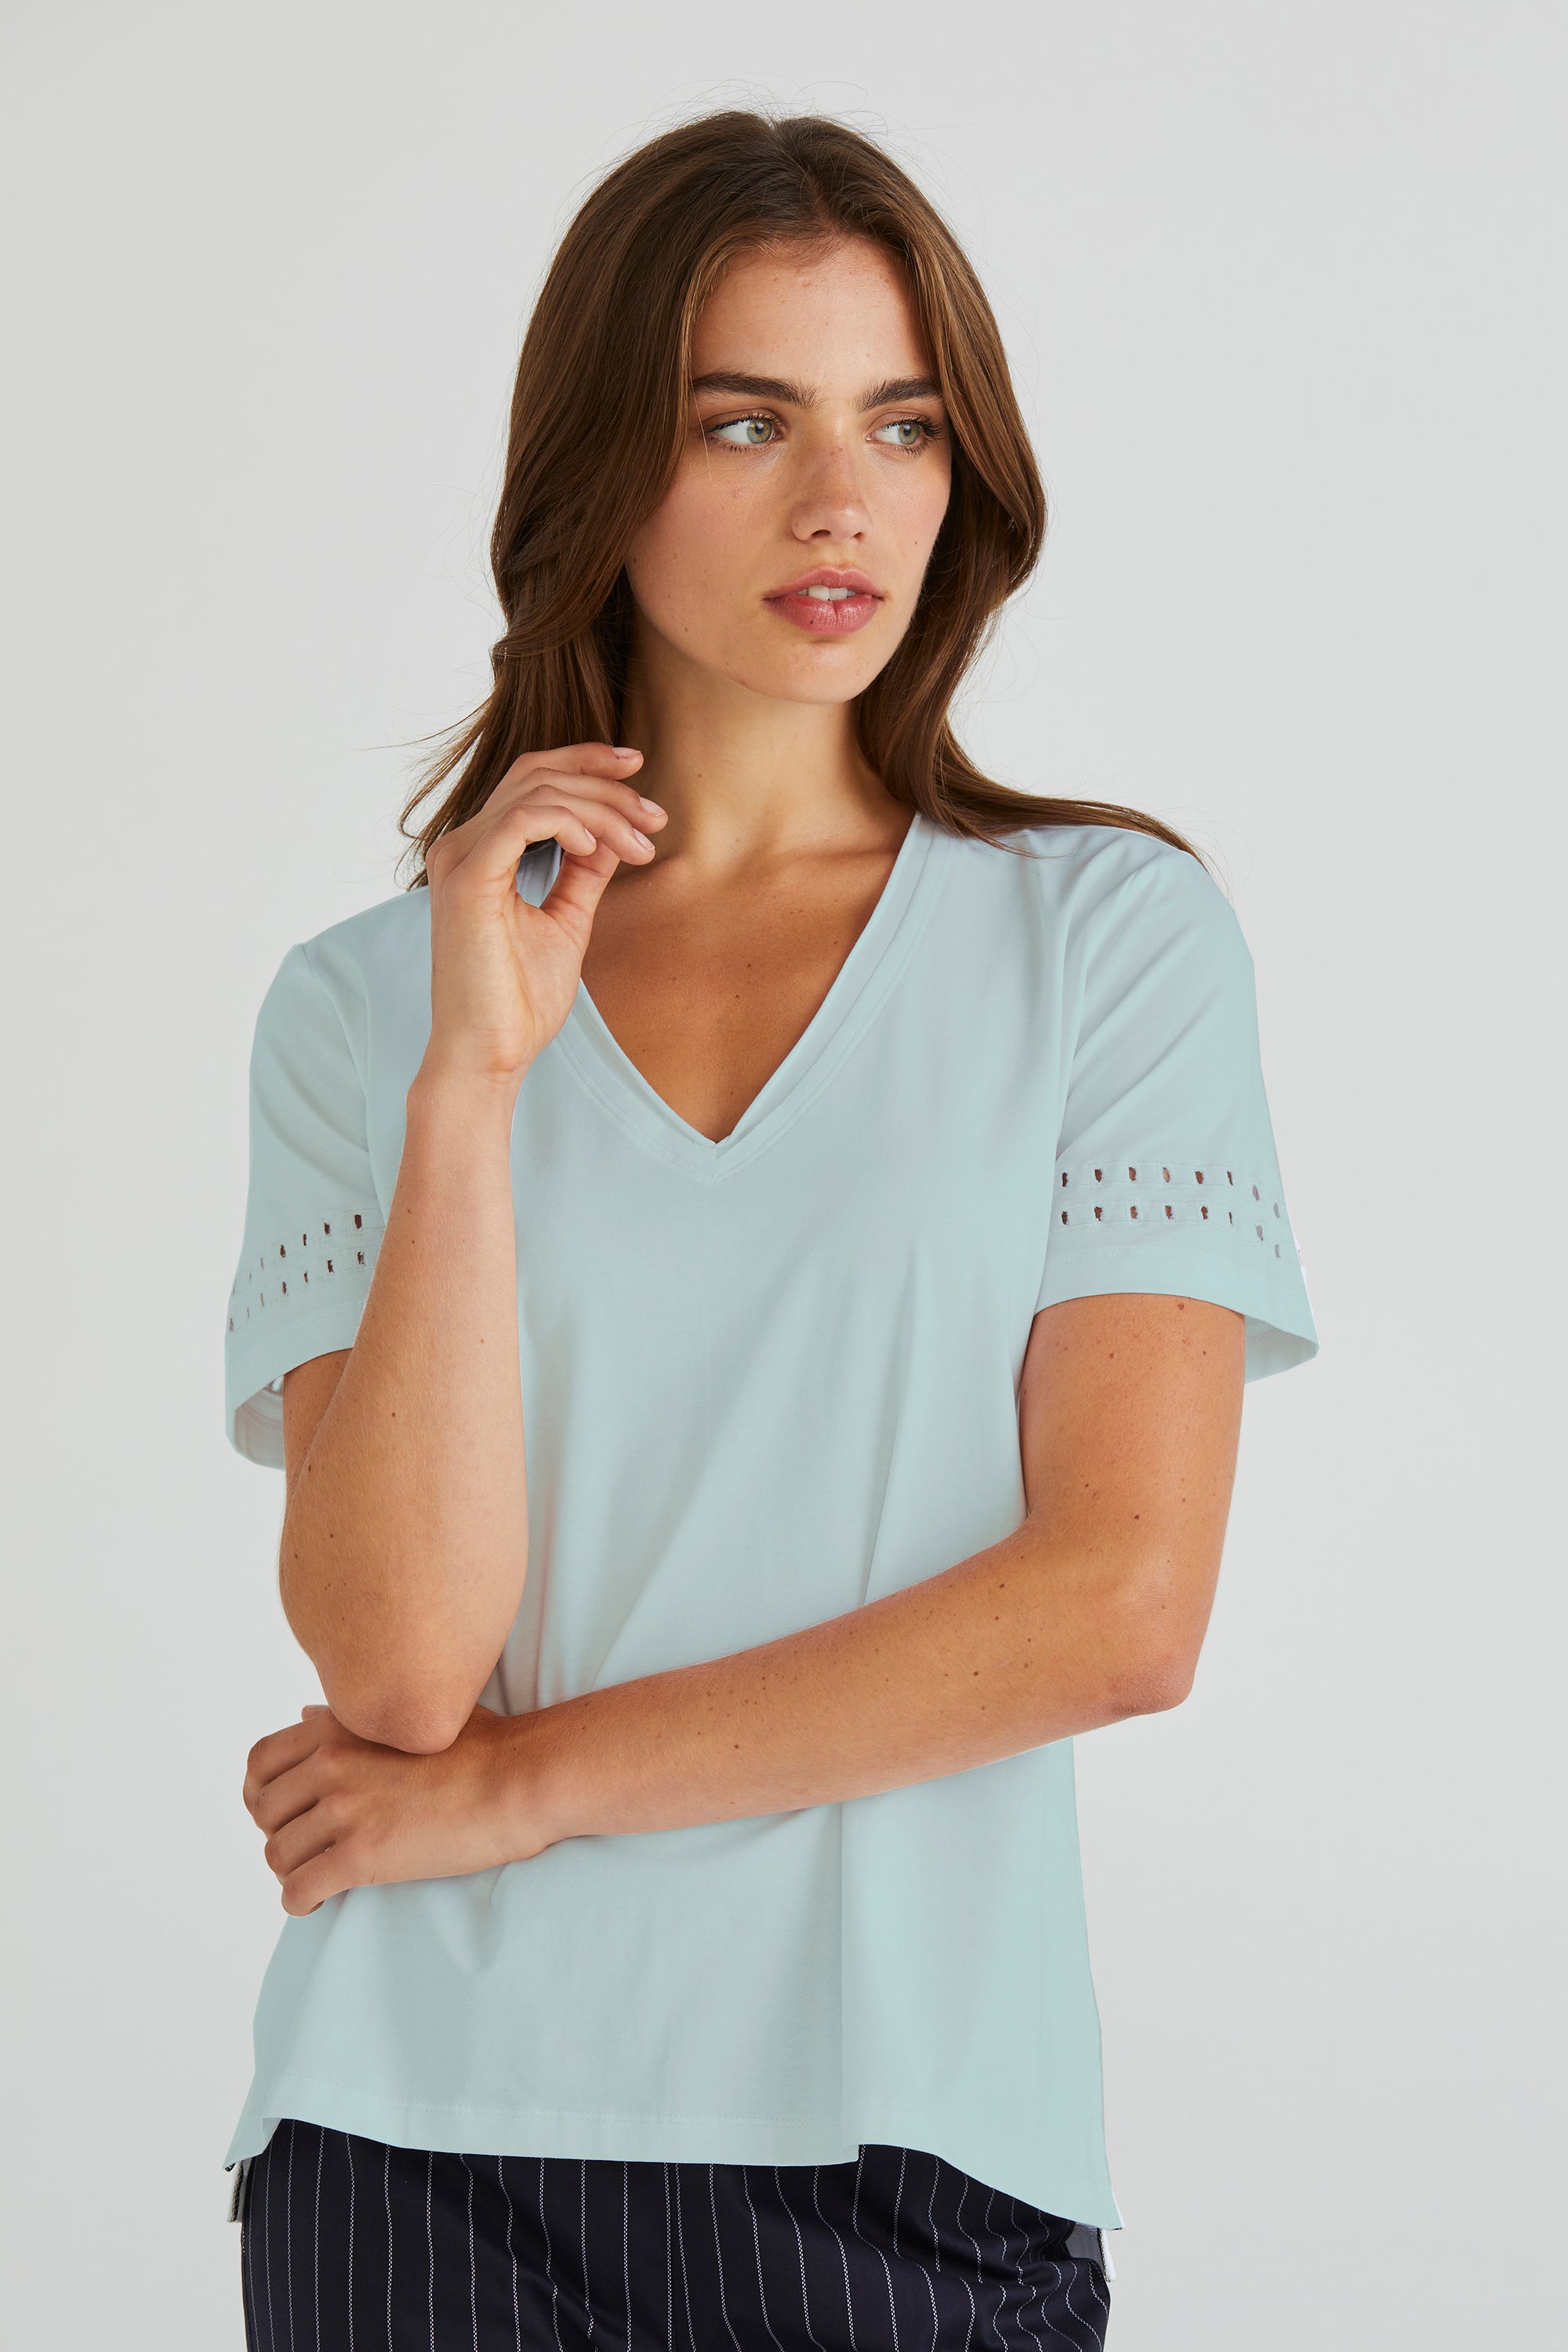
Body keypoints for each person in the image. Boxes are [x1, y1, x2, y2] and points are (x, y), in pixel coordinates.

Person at [223, 110, 1317, 2352]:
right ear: (600, 474)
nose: (845, 502)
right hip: (410, 2143)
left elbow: (1120, 1605)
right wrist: (468, 1090)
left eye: (902, 425)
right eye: (747, 422)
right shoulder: (366, 1007)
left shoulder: (1104, 943)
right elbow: (401, 1674)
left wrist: (522, 1792)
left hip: (904, 2149)